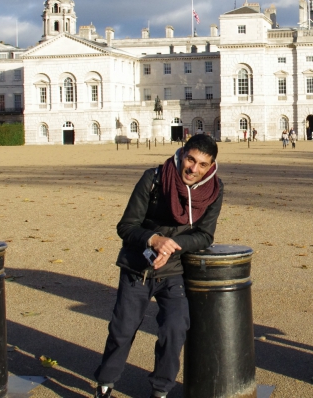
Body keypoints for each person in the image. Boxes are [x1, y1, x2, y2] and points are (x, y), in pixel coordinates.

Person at [93, 135, 224, 398]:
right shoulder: (154, 178)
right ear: (182, 153)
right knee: (122, 329)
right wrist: (154, 240)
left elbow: (205, 236)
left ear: (211, 167)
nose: (193, 169)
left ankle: (161, 390)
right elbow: (126, 226)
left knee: (175, 328)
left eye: (202, 165)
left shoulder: (214, 190)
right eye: (190, 159)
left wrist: (172, 244)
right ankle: (105, 385)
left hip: (173, 269)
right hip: (137, 267)